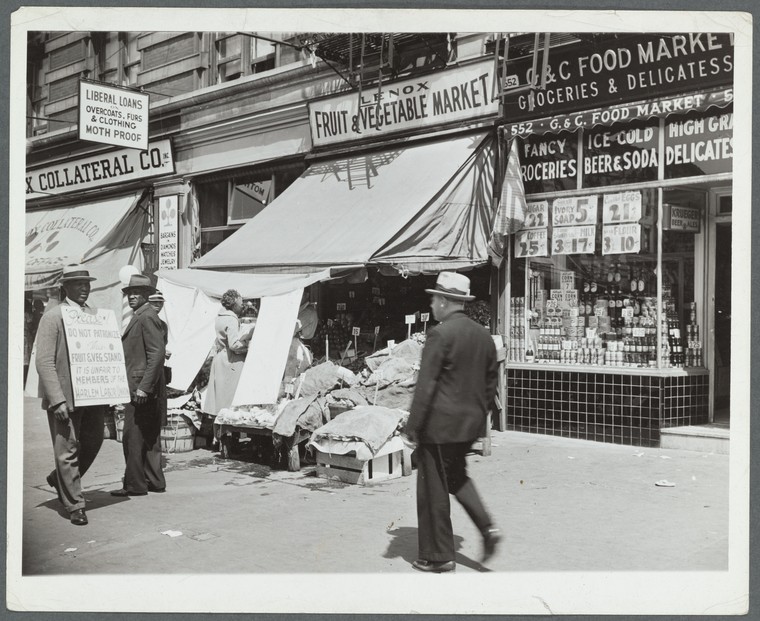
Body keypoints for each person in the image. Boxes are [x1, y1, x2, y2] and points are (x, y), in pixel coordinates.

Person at [403, 271, 500, 573]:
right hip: (468, 426)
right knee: (457, 477)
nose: (432, 303)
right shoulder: (483, 335)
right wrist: (478, 418)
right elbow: (490, 384)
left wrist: (412, 428)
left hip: (439, 428)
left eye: (434, 298)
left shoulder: (440, 334)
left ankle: (438, 556)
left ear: (445, 301)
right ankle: (487, 527)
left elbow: (425, 386)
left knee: (433, 490)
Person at [36, 264, 105, 525]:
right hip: (65, 396)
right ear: (65, 287)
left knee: (94, 440)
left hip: (92, 393)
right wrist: (57, 399)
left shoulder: (95, 315)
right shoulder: (53, 317)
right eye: (78, 284)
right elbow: (44, 361)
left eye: (87, 283)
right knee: (67, 449)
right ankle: (74, 504)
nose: (84, 288)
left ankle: (59, 479)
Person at [111, 274, 167, 497]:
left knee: (132, 437)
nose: (132, 296)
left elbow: (157, 353)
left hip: (140, 386)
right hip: (145, 384)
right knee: (149, 434)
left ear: (146, 295)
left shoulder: (145, 317)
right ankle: (154, 480)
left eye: (137, 293)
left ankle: (135, 484)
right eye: (129, 293)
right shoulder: (147, 316)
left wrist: (144, 387)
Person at [204, 289, 253, 417]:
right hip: (230, 360)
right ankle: (229, 429)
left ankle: (219, 432)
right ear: (234, 304)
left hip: (220, 358)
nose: (243, 306)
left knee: (219, 398)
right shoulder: (231, 319)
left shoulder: (220, 317)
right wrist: (249, 345)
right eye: (241, 303)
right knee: (229, 399)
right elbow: (234, 344)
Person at [148, 290, 172, 385]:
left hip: (158, 368)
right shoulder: (142, 320)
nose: (158, 305)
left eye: (160, 302)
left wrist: (164, 352)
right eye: (154, 302)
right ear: (148, 303)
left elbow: (163, 344)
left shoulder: (163, 325)